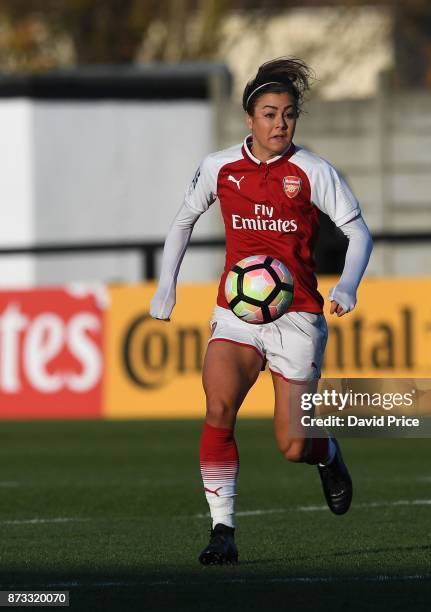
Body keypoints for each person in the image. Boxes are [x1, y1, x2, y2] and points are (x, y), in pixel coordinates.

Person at [150, 57, 373, 565]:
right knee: (218, 406)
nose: (280, 123)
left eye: (288, 114)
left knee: (293, 445)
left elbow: (358, 232)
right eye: (269, 114)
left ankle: (328, 453)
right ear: (249, 119)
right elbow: (182, 223)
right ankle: (222, 532)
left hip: (296, 315)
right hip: (237, 312)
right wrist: (168, 286)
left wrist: (349, 285)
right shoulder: (219, 167)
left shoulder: (313, 170)